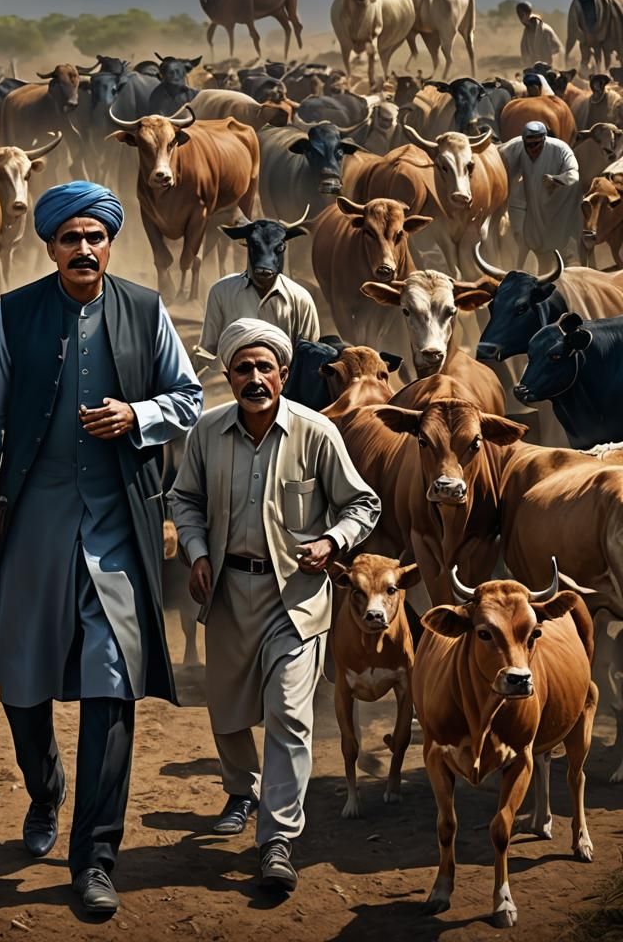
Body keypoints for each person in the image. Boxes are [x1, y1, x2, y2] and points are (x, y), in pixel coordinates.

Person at [0, 180, 202, 915]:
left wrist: (139, 414)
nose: (84, 249)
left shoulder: (147, 310)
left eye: (96, 238)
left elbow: (188, 397)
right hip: (33, 519)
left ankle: (94, 858)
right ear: (51, 246)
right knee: (22, 682)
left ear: (110, 245)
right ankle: (45, 787)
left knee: (112, 684)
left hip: (118, 525)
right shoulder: (13, 314)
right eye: (71, 238)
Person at [168, 318, 379, 891]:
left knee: (288, 711)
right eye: (244, 369)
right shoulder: (206, 432)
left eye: (266, 368)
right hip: (227, 592)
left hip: (296, 598)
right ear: (228, 375)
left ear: (284, 374)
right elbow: (184, 499)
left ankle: (278, 838)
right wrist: (196, 551)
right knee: (227, 709)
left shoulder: (316, 432)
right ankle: (243, 790)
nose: (255, 378)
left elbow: (363, 504)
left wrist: (331, 541)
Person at [197, 223, 320, 363]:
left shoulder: (301, 298)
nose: (265, 263)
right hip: (232, 375)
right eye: (256, 247)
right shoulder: (221, 292)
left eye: (278, 248)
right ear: (247, 247)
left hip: (285, 376)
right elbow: (208, 351)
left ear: (283, 249)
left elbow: (310, 356)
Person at [500, 119, 580, 264]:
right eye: (528, 144)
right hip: (530, 206)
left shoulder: (560, 149)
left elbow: (573, 173)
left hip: (556, 205)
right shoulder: (518, 146)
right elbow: (500, 159)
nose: (532, 148)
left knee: (557, 241)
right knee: (525, 238)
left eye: (536, 144)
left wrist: (556, 180)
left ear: (544, 139)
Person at [517, 2, 563, 69]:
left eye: (521, 14)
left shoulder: (544, 30)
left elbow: (554, 51)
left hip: (551, 67)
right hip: (538, 67)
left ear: (524, 14)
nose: (520, 18)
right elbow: (525, 52)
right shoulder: (528, 30)